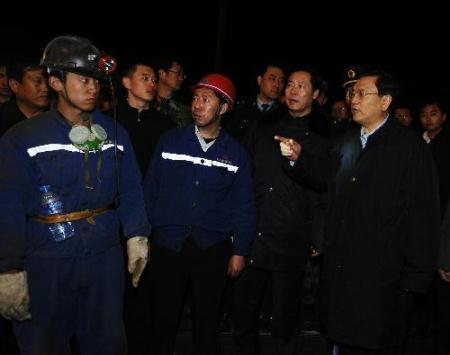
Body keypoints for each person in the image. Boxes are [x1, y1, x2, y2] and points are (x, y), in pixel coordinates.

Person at [0, 35, 150, 355]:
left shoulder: (116, 133)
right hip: (47, 258)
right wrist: (9, 268)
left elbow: (132, 189)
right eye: (83, 79)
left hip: (104, 257)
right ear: (56, 82)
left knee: (107, 343)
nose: (93, 87)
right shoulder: (22, 138)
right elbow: (7, 205)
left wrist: (137, 235)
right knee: (43, 344)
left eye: (95, 80)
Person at [322, 70, 440, 355]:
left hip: (384, 276)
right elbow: (327, 192)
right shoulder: (346, 142)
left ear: (385, 101)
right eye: (352, 93)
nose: (354, 100)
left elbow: (423, 215)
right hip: (343, 270)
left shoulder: (409, 149)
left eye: (363, 93)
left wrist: (416, 278)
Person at [144, 73, 256, 355]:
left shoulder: (237, 154)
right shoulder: (170, 142)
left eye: (207, 99)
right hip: (169, 245)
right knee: (163, 320)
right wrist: (143, 236)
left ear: (224, 108)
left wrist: (240, 250)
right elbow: (150, 191)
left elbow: (244, 204)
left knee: (207, 323)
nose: (198, 105)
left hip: (212, 249)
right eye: (195, 98)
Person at [232, 67, 329, 355]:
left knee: (285, 314)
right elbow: (242, 175)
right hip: (254, 230)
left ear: (315, 94)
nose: (293, 90)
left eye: (301, 86)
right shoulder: (262, 127)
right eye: (290, 84)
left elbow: (325, 185)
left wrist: (318, 235)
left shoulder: (324, 136)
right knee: (244, 309)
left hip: (291, 235)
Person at [223, 63, 285, 144]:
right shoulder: (239, 107)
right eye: (272, 79)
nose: (277, 85)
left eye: (281, 81)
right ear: (260, 80)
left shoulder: (283, 113)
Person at [0, 58, 49, 136]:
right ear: (15, 85)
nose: (45, 88)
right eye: (37, 81)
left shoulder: (58, 117)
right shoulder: (3, 120)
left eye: (47, 82)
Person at [152, 54, 191, 127]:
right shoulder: (148, 102)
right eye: (178, 73)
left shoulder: (184, 106)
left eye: (183, 75)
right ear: (162, 74)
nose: (181, 78)